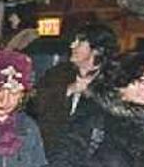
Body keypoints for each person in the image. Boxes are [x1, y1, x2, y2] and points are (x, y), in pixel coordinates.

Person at [29, 22, 118, 154]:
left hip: (91, 159)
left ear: (97, 50)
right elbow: (35, 105)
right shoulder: (58, 74)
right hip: (52, 153)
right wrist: (68, 90)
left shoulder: (112, 81)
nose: (72, 46)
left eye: (79, 42)